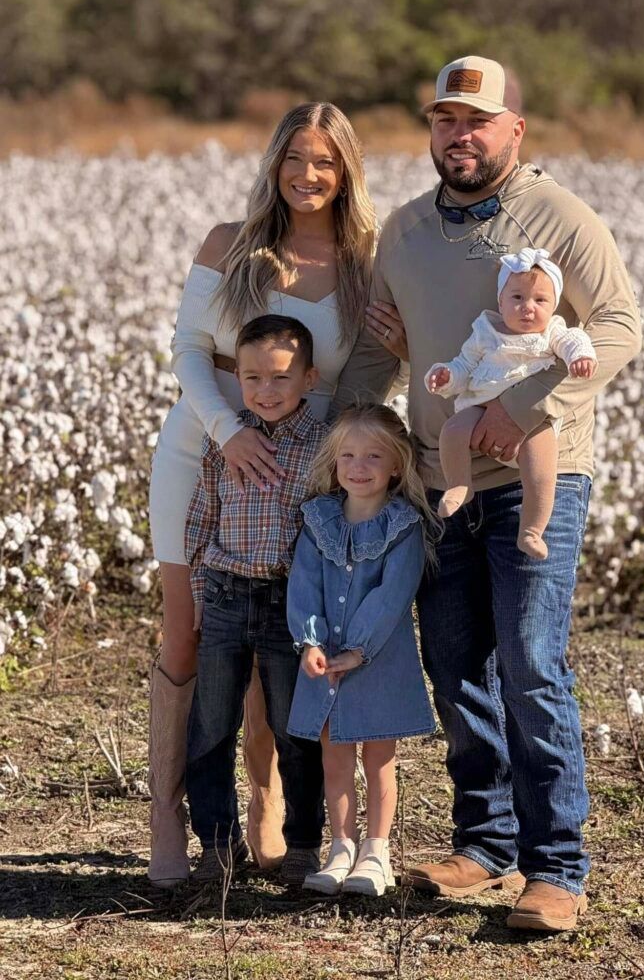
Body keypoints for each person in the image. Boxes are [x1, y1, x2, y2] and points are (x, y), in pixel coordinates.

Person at [331, 55, 642, 931]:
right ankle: (486, 843)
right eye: (443, 121)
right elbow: (377, 349)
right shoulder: (405, 231)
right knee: (455, 665)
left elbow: (619, 325)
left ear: (514, 130)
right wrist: (334, 433)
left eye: (476, 121)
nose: (458, 136)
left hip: (540, 479)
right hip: (438, 481)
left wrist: (522, 404)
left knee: (532, 664)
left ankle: (557, 869)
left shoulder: (561, 216)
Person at [147, 102, 381, 887]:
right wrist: (227, 432)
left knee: (285, 647)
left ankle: (267, 810)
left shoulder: (365, 263)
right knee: (190, 636)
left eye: (324, 162)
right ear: (275, 163)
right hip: (202, 450)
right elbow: (186, 349)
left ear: (345, 170)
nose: (307, 176)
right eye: (294, 159)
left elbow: (370, 379)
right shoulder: (230, 244)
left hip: (301, 473)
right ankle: (170, 823)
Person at [184, 314, 327, 882]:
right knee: (211, 727)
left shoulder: (323, 447)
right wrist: (198, 595)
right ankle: (217, 845)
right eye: (252, 378)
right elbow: (201, 518)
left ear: (310, 379)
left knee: (295, 732)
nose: (265, 391)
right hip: (223, 594)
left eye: (279, 378)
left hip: (288, 603)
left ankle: (302, 845)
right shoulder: (227, 440)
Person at [285, 404, 440, 896]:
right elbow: (303, 583)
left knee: (378, 761)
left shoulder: (403, 525)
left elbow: (391, 596)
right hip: (326, 661)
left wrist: (358, 649)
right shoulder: (318, 519)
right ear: (334, 464)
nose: (359, 466)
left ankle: (377, 852)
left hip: (376, 664)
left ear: (397, 465)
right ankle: (341, 848)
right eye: (348, 455)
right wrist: (309, 639)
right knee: (335, 762)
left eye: (373, 455)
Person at [426, 247, 597, 560]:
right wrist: (446, 375)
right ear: (501, 301)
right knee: (452, 430)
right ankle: (459, 484)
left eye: (540, 300)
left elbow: (575, 340)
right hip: (480, 403)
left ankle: (532, 529)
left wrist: (581, 357)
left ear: (554, 304)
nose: (527, 308)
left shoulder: (552, 332)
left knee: (544, 465)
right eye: (517, 298)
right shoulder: (486, 330)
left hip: (533, 418)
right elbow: (464, 365)